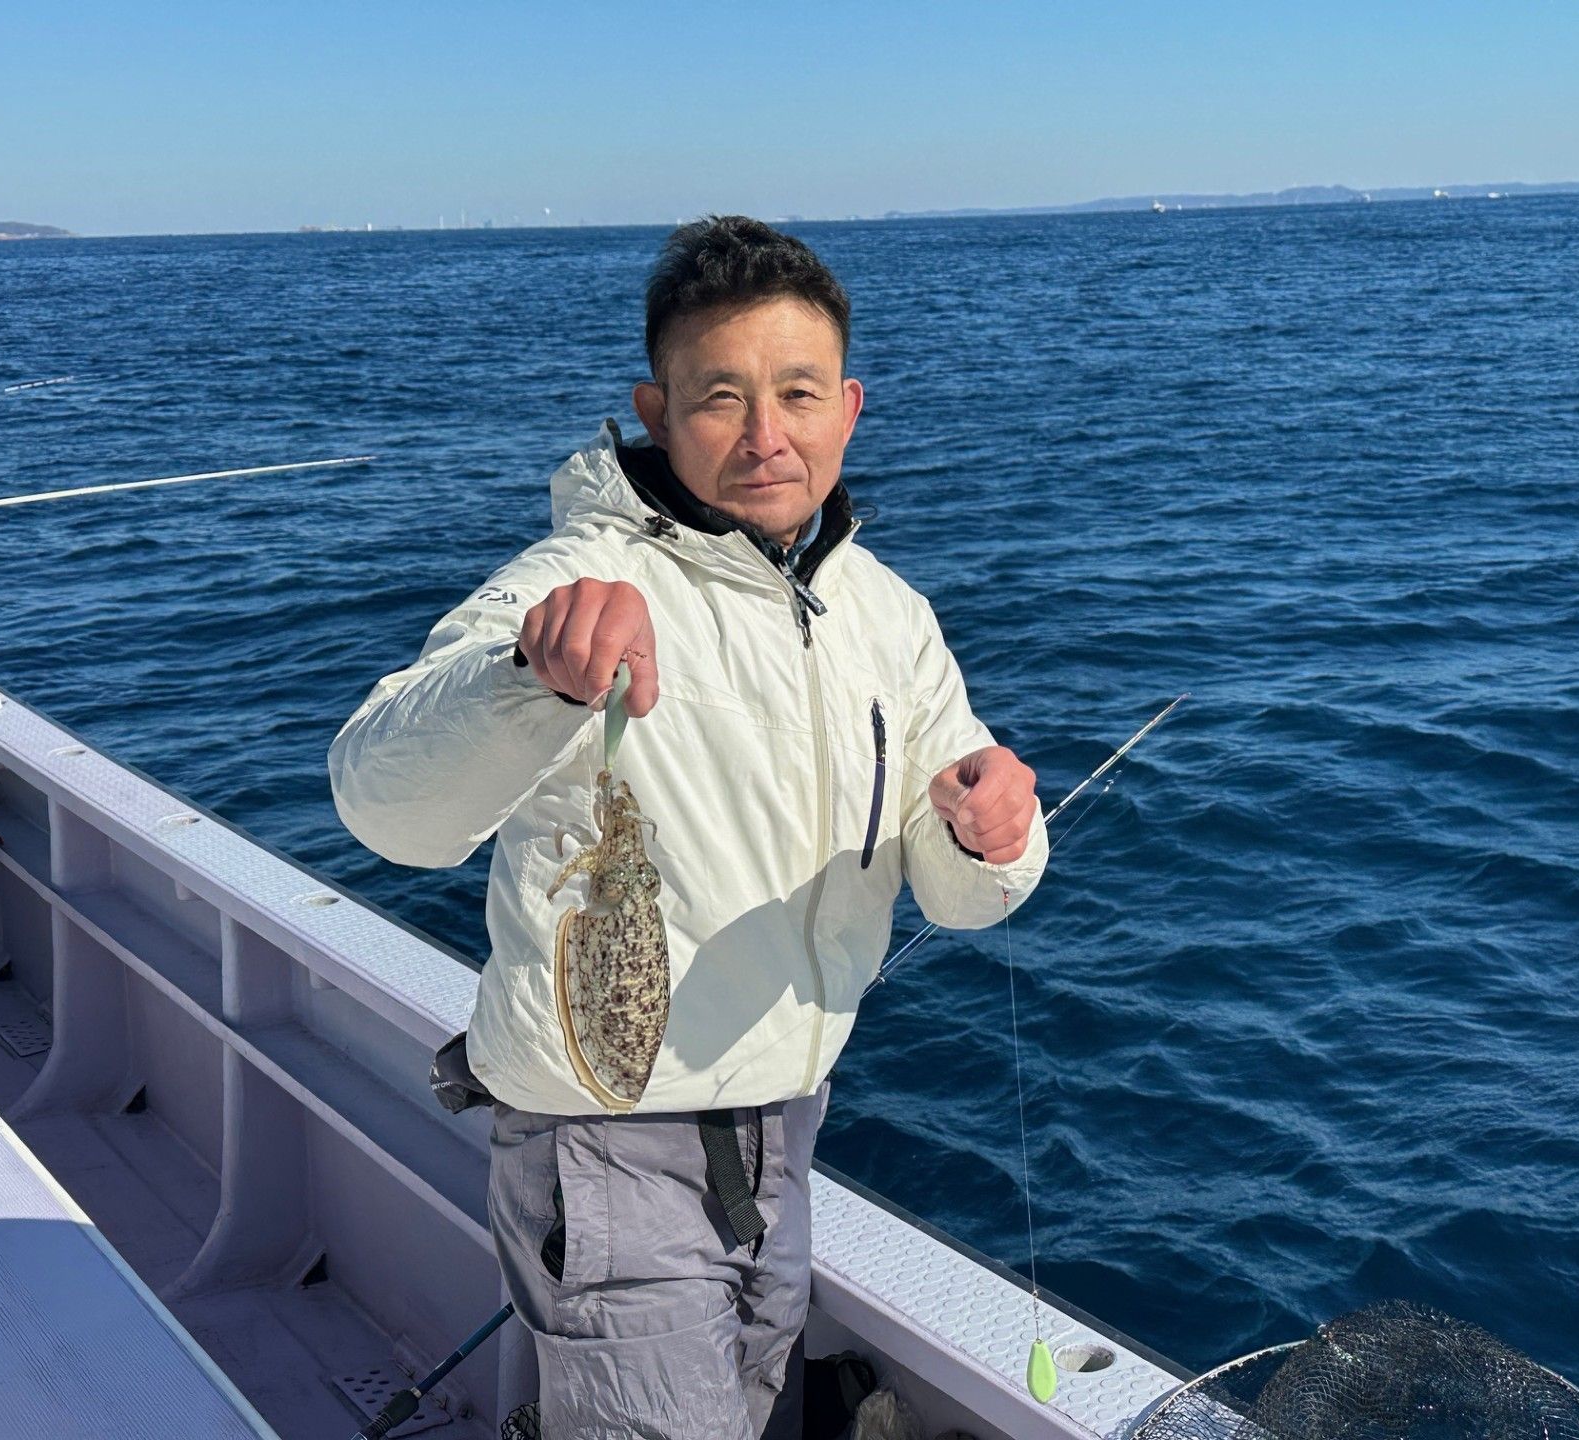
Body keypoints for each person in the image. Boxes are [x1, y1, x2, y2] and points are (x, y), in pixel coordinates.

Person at [327, 215, 1049, 1440]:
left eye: (799, 394)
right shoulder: (578, 579)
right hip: (606, 1144)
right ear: (656, 415)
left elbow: (955, 887)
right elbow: (379, 799)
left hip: (786, 1128)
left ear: (849, 409)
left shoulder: (888, 616)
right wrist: (529, 677)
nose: (767, 436)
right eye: (722, 398)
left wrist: (994, 835)